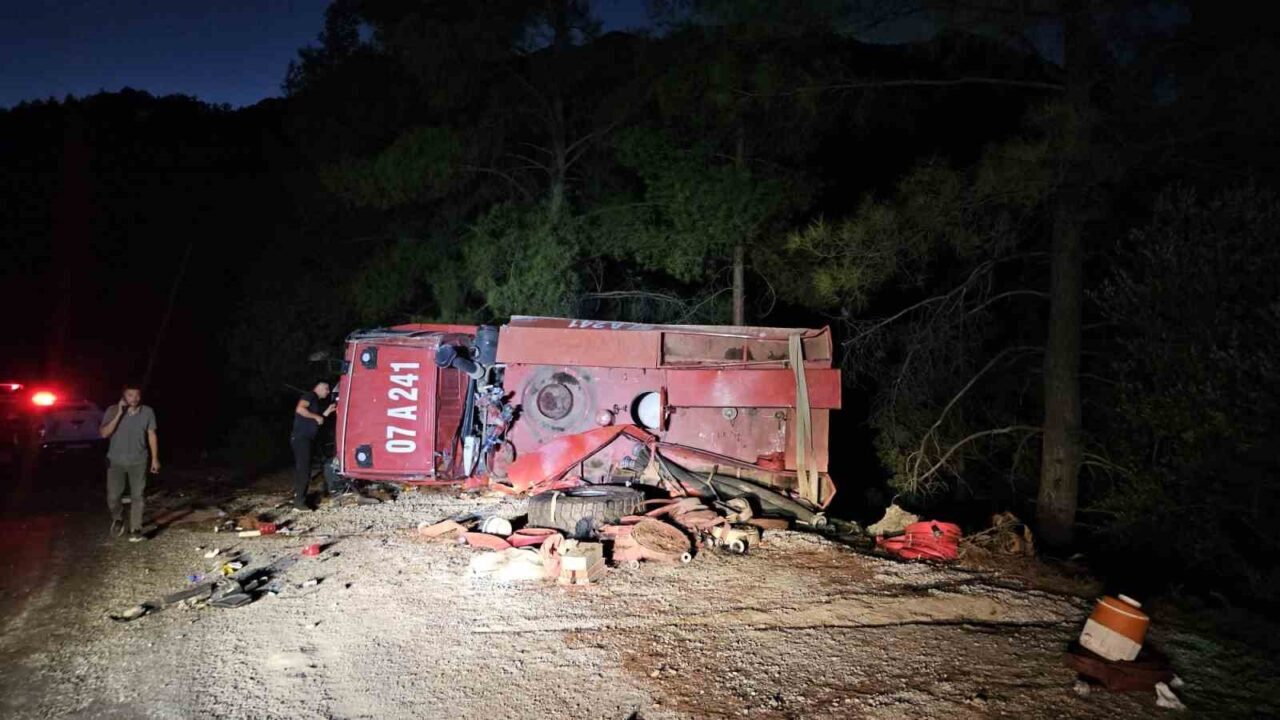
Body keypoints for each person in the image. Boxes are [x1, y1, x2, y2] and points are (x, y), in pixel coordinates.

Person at [99, 383, 159, 542]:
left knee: (137, 495)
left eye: (137, 395)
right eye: (130, 395)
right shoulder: (112, 410)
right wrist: (119, 413)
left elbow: (151, 434)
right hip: (115, 461)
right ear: (124, 396)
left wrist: (155, 458)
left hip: (139, 460)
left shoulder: (147, 412)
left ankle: (136, 529)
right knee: (113, 496)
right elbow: (104, 433)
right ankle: (118, 518)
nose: (134, 398)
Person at [291, 381, 336, 510]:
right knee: (303, 469)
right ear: (319, 387)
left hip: (308, 439)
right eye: (326, 389)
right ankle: (299, 502)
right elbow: (300, 409)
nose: (328, 392)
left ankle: (300, 498)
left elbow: (319, 420)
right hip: (301, 438)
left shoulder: (315, 401)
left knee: (306, 469)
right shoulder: (310, 395)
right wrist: (316, 417)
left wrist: (327, 411)